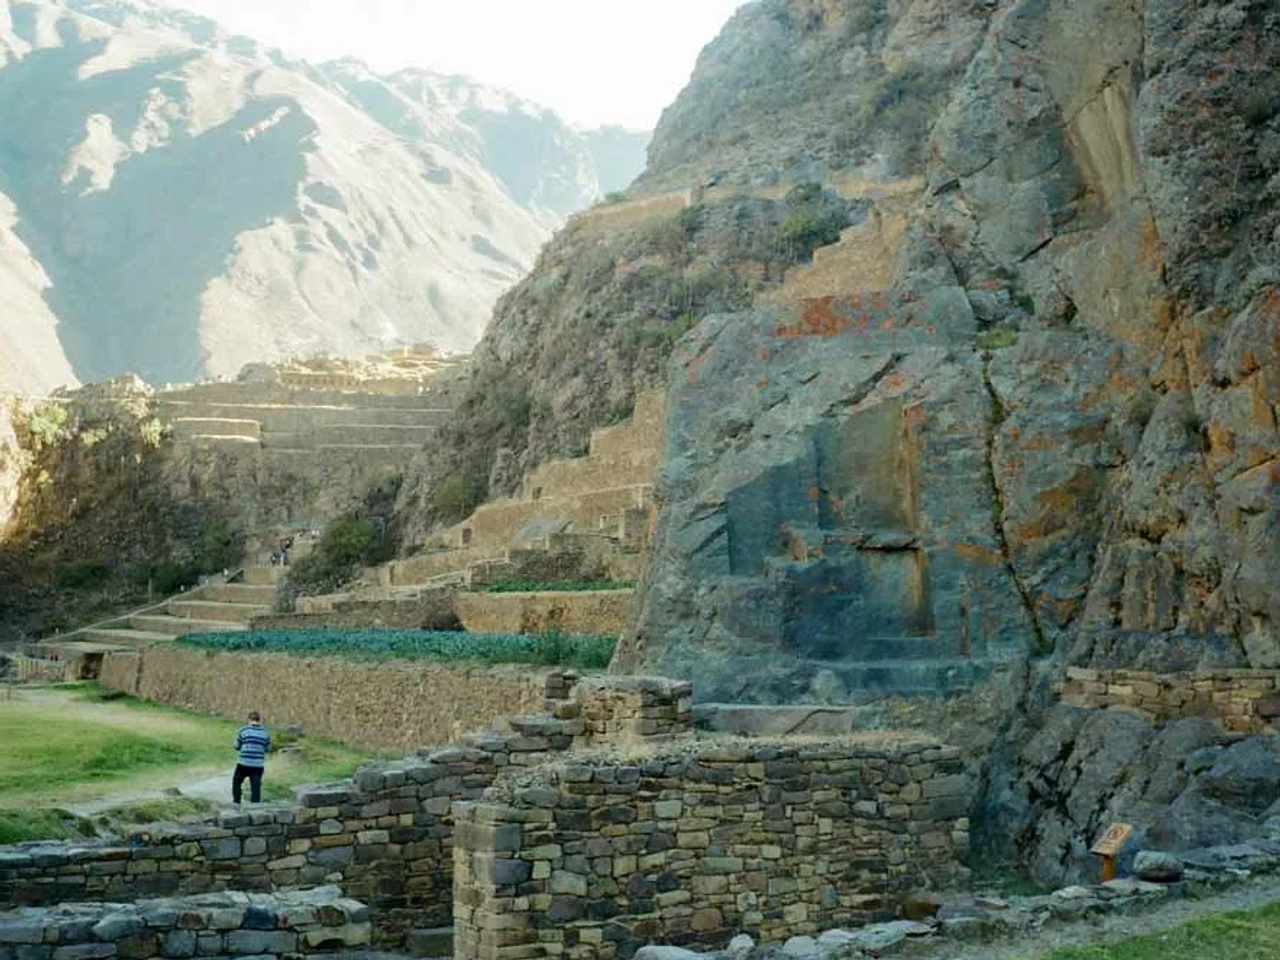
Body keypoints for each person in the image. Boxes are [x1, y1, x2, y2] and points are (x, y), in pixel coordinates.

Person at [232, 711, 271, 804]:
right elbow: (268, 749)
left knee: (236, 782)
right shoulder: (265, 733)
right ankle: (255, 806)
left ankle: (236, 802)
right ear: (259, 720)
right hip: (258, 765)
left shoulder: (243, 730)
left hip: (243, 763)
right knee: (256, 787)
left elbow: (237, 746)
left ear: (249, 719)